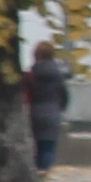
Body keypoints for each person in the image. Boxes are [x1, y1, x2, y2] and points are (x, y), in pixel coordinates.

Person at [24, 39, 73, 173]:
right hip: (52, 113)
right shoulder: (57, 75)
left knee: (35, 147)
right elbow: (64, 95)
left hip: (34, 113)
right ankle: (44, 173)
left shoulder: (31, 74)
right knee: (48, 147)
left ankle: (35, 172)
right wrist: (59, 109)